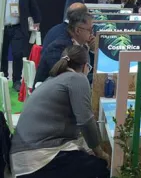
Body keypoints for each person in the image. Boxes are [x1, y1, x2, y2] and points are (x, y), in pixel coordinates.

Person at [10, 45, 110, 178]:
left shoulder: (52, 80)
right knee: (101, 166)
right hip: (39, 160)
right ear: (85, 66)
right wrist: (100, 152)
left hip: (22, 159)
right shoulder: (77, 78)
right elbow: (86, 121)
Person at [2, 0, 42, 91]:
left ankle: (16, 80)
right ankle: (3, 77)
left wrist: (37, 21)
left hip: (18, 27)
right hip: (2, 28)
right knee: (2, 54)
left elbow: (34, 7)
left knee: (17, 54)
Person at [36, 9, 94, 84]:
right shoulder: (59, 47)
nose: (92, 33)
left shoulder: (82, 45)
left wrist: (93, 50)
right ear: (78, 31)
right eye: (90, 30)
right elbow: (64, 79)